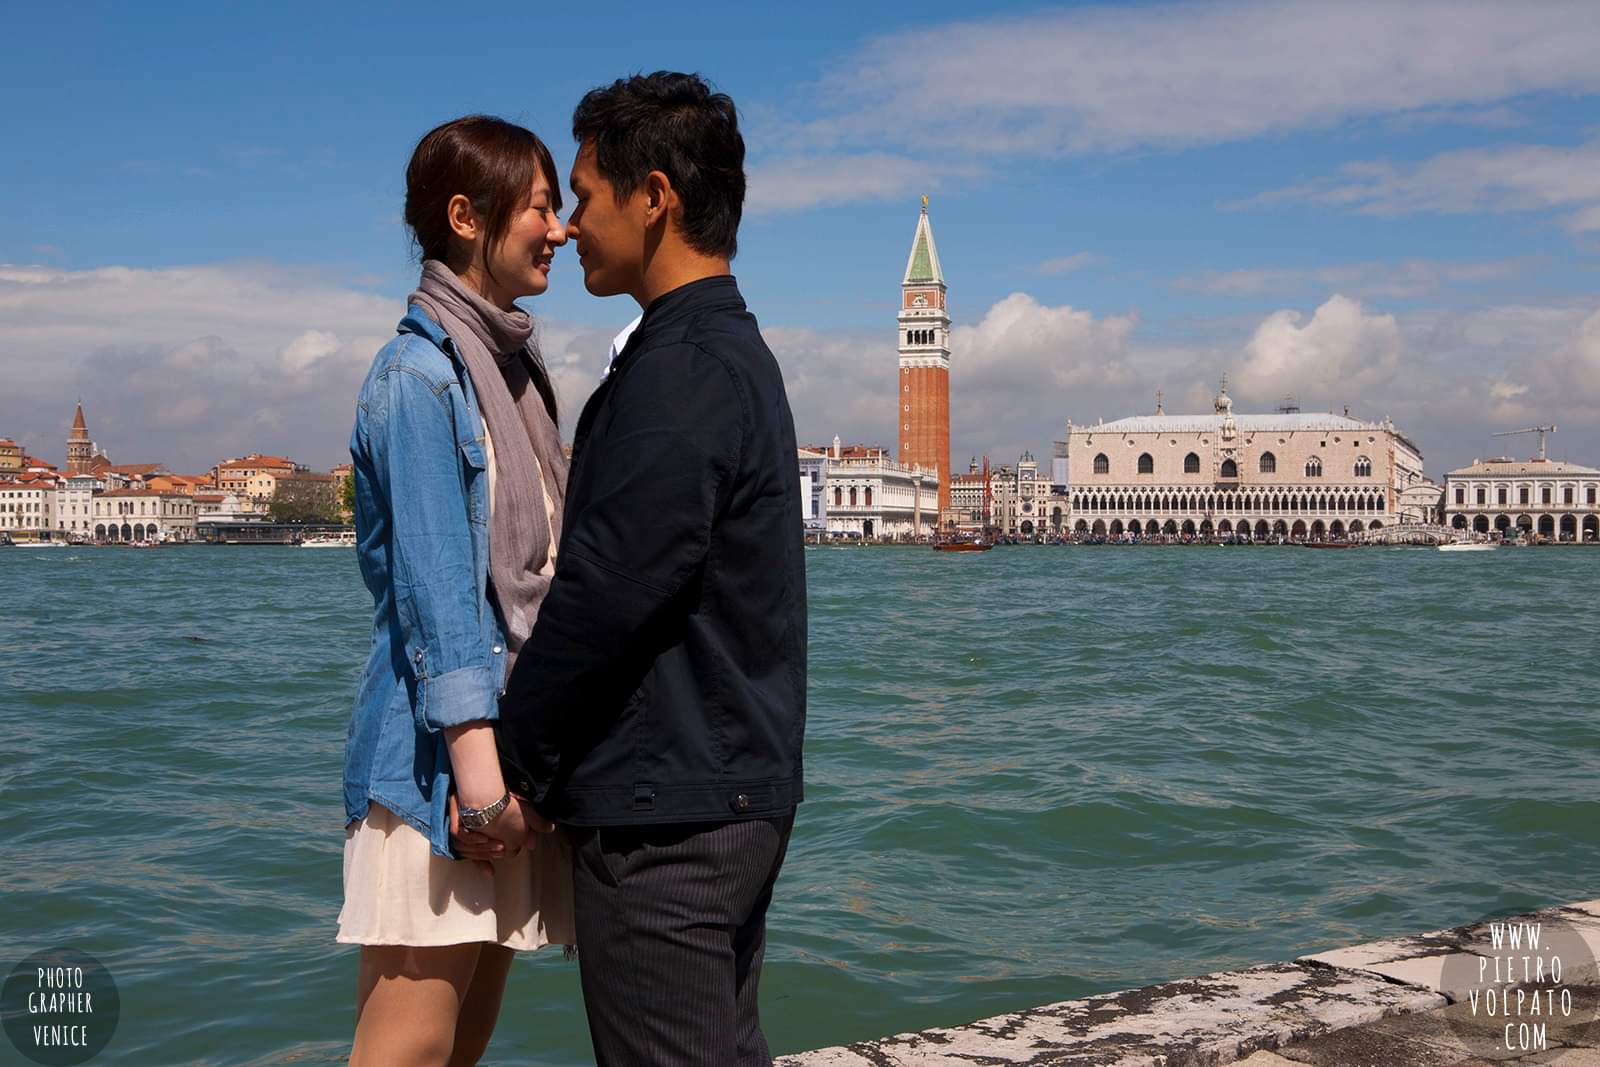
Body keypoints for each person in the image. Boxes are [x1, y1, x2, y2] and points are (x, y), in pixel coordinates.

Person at [497, 72, 808, 1066]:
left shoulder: (683, 371)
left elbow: (611, 589)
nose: (570, 225)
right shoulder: (718, 354)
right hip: (713, 789)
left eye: (584, 195)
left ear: (655, 196)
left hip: (670, 816)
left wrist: (514, 762)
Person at [338, 115, 574, 1067]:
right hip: (440, 772)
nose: (558, 229)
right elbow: (437, 597)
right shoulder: (417, 378)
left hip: (497, 759)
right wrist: (481, 797)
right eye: (541, 206)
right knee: (410, 1047)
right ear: (468, 216)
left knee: (463, 1039)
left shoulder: (514, 370)